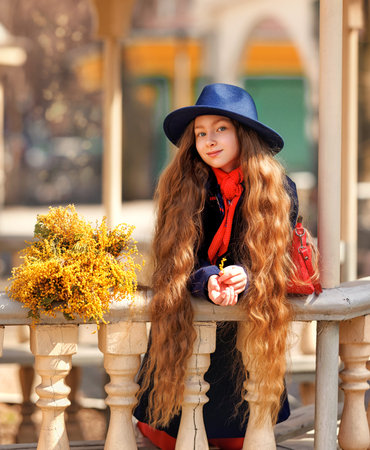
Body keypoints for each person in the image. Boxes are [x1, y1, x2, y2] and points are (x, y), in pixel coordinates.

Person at [134, 83, 298, 450]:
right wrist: (206, 279)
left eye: (220, 128)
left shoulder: (278, 188)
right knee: (177, 429)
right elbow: (176, 259)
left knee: (240, 423)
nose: (208, 140)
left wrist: (249, 276)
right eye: (200, 132)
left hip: (249, 325)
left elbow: (278, 260)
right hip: (188, 323)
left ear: (244, 133)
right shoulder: (183, 184)